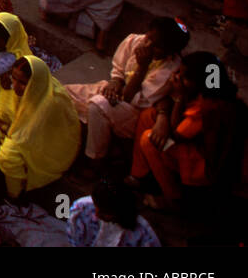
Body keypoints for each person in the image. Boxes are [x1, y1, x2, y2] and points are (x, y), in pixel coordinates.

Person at [130, 52, 248, 211]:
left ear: (199, 82)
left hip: (225, 166)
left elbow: (176, 133)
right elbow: (160, 102)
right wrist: (163, 115)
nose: (176, 77)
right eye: (178, 71)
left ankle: (173, 200)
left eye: (184, 77)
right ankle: (140, 175)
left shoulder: (208, 106)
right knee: (149, 116)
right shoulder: (209, 90)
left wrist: (178, 98)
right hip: (207, 148)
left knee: (149, 140)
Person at [65, 16, 189, 166]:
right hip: (118, 92)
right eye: (148, 38)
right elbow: (118, 69)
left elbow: (129, 98)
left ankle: (94, 160)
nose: (148, 46)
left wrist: (142, 67)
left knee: (98, 105)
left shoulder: (170, 70)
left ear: (169, 52)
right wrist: (115, 81)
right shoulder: (135, 41)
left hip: (134, 112)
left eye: (156, 46)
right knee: (62, 93)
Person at [0, 56, 81, 199]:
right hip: (36, 138)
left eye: (22, 83)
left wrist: (0, 125)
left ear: (35, 82)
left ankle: (15, 195)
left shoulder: (51, 103)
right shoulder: (39, 87)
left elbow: (24, 137)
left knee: (8, 156)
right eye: (14, 78)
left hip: (53, 152)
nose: (15, 86)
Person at [67, 180, 161, 247]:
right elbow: (75, 240)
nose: (97, 215)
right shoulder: (80, 210)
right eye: (97, 207)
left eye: (105, 212)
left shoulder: (143, 234)